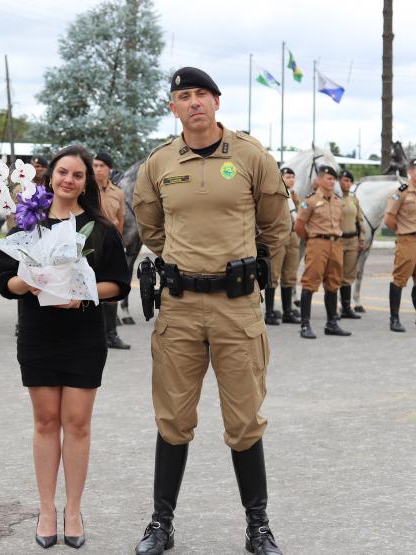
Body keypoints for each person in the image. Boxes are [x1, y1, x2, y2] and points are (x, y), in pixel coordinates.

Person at [132, 67, 288, 555]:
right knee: (173, 418)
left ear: (216, 103)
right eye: (184, 95)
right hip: (178, 308)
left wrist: (252, 272)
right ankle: (161, 524)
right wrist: (183, 263)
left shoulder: (249, 156)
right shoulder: (159, 163)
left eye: (202, 94)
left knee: (244, 420)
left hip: (236, 307)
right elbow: (150, 225)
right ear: (173, 107)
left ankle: (258, 527)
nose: (194, 102)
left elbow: (276, 224)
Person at [0, 145, 127, 550]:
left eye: (78, 175)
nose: (69, 180)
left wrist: (81, 293)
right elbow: (3, 281)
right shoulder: (27, 223)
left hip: (83, 335)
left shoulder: (101, 228)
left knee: (78, 424)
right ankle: (47, 508)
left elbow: (118, 283)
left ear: (88, 182)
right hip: (39, 333)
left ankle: (73, 509)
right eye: (62, 172)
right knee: (46, 422)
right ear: (50, 176)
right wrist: (27, 281)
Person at [295, 166, 351, 339]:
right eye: (328, 178)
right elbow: (299, 226)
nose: (332, 181)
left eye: (333, 179)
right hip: (317, 243)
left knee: (334, 283)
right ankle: (305, 325)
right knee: (310, 282)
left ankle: (331, 323)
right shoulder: (310, 201)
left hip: (335, 244)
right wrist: (312, 240)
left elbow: (340, 223)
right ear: (318, 180)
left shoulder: (338, 201)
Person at [383, 157, 416, 332]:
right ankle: (394, 319)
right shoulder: (401, 192)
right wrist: (403, 231)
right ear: (410, 172)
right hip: (407, 240)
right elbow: (389, 219)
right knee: (400, 278)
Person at [92, 151, 130, 350]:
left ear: (109, 169)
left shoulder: (118, 192)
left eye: (102, 166)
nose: (98, 169)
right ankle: (96, 336)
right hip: (91, 247)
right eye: (95, 165)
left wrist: (118, 244)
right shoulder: (86, 191)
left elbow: (120, 220)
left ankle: (112, 334)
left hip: (111, 247)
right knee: (93, 290)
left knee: (112, 292)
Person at [264, 167, 302, 325]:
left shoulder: (293, 195)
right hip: (278, 235)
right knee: (273, 275)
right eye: (288, 176)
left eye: (293, 177)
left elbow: (300, 211)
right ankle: (269, 312)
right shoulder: (274, 195)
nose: (291, 179)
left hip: (293, 236)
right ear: (280, 177)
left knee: (290, 274)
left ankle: (287, 311)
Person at [337, 169, 365, 319]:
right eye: (345, 180)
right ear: (339, 181)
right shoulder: (334, 198)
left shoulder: (354, 199)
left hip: (352, 241)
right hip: (338, 241)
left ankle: (346, 307)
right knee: (335, 274)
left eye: (349, 181)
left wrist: (361, 237)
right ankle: (333, 308)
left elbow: (359, 220)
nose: (347, 183)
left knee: (348, 275)